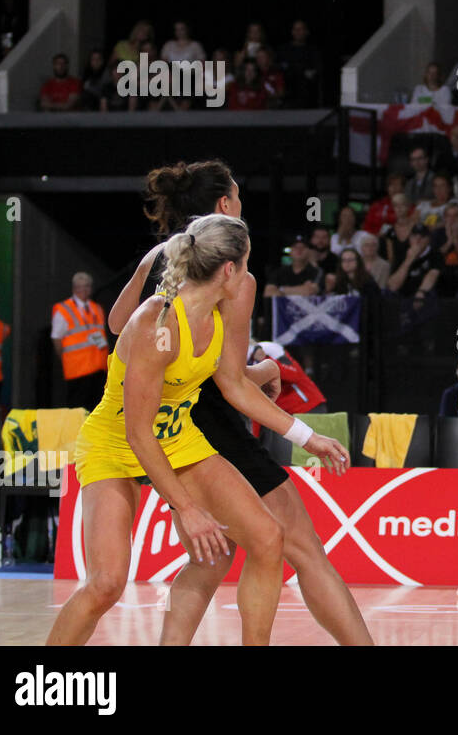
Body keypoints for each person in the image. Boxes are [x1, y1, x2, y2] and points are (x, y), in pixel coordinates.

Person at [46, 214, 349, 646]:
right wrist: (185, 507)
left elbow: (232, 385)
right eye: (245, 264)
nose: (248, 275)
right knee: (106, 584)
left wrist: (306, 435)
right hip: (116, 445)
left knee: (266, 539)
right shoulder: (158, 324)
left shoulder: (220, 311)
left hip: (177, 438)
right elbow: (138, 433)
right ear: (229, 270)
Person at [107, 167, 368, 645]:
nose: (241, 205)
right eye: (239, 197)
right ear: (225, 208)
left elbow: (117, 324)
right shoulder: (237, 277)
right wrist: (267, 377)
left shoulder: (158, 259)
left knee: (209, 561)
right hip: (203, 423)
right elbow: (227, 381)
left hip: (157, 420)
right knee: (300, 547)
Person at [52, 273, 109, 412]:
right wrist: (65, 359)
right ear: (74, 288)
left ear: (90, 289)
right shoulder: (63, 309)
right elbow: (56, 338)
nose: (82, 290)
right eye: (79, 287)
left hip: (98, 368)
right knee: (77, 409)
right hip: (77, 370)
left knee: (96, 408)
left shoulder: (97, 309)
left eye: (86, 287)